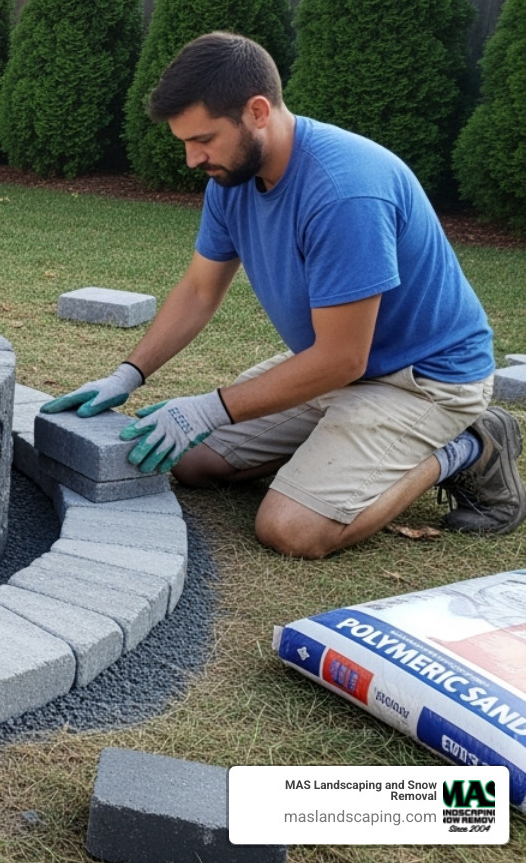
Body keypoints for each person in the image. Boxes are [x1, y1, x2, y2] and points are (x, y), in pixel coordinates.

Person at [42, 31, 523, 559]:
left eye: (202, 139)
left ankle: (471, 445)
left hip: (421, 380)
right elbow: (201, 290)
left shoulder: (345, 191)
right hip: (334, 366)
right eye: (184, 142)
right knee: (190, 461)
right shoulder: (231, 181)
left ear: (257, 111)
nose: (191, 158)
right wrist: (126, 374)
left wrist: (208, 409)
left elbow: (343, 357)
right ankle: (338, 445)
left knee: (291, 528)